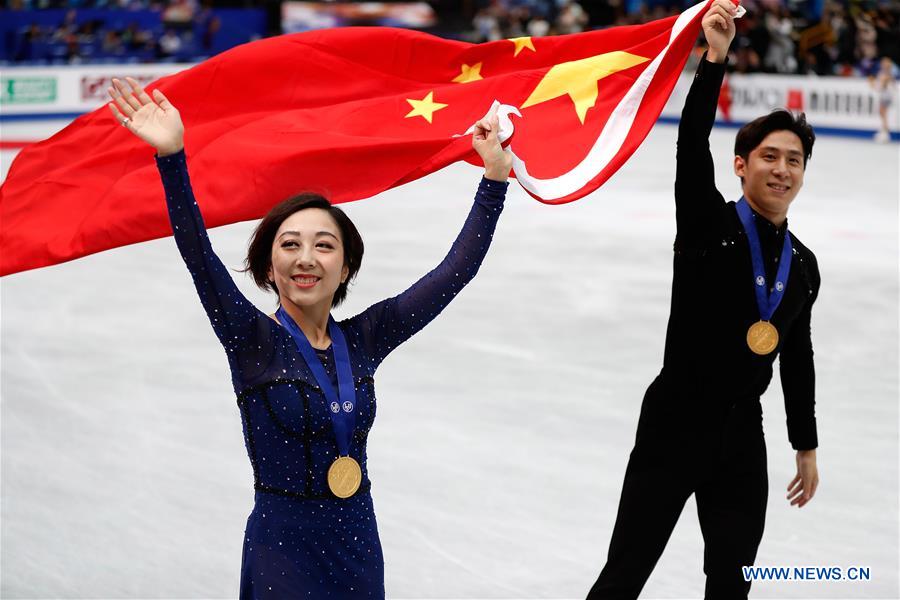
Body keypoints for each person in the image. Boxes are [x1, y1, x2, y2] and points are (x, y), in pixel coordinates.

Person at [106, 76, 511, 598]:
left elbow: (453, 272)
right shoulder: (252, 339)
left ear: (345, 267)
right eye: (290, 245)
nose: (306, 259)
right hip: (283, 548)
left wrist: (493, 178)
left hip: (357, 542)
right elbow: (198, 255)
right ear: (268, 267)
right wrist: (172, 159)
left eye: (323, 245)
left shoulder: (365, 339)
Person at [587, 1, 821, 598]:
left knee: (733, 581)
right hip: (675, 422)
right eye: (769, 156)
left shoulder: (803, 267)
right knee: (625, 574)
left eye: (794, 161)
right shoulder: (706, 225)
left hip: (744, 435)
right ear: (741, 165)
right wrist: (715, 58)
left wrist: (805, 444)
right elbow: (691, 143)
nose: (782, 170)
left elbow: (796, 357)